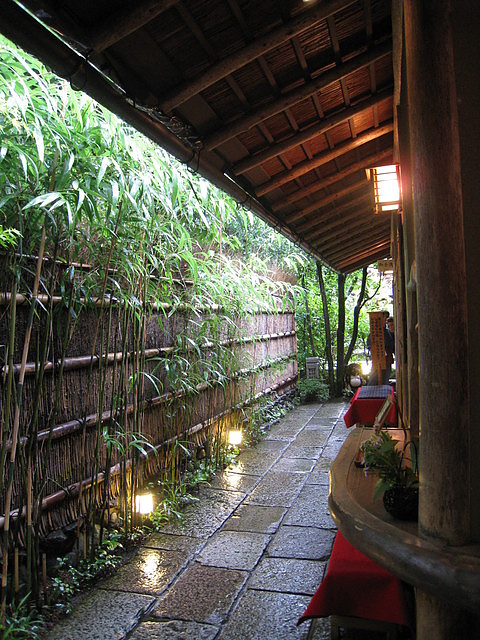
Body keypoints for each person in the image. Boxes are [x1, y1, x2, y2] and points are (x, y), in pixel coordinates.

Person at [367, 312, 394, 385]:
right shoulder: (373, 333)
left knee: (385, 379)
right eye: (383, 317)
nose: (385, 319)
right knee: (374, 379)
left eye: (386, 318)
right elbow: (369, 345)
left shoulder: (388, 332)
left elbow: (392, 345)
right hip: (377, 359)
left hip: (387, 360)